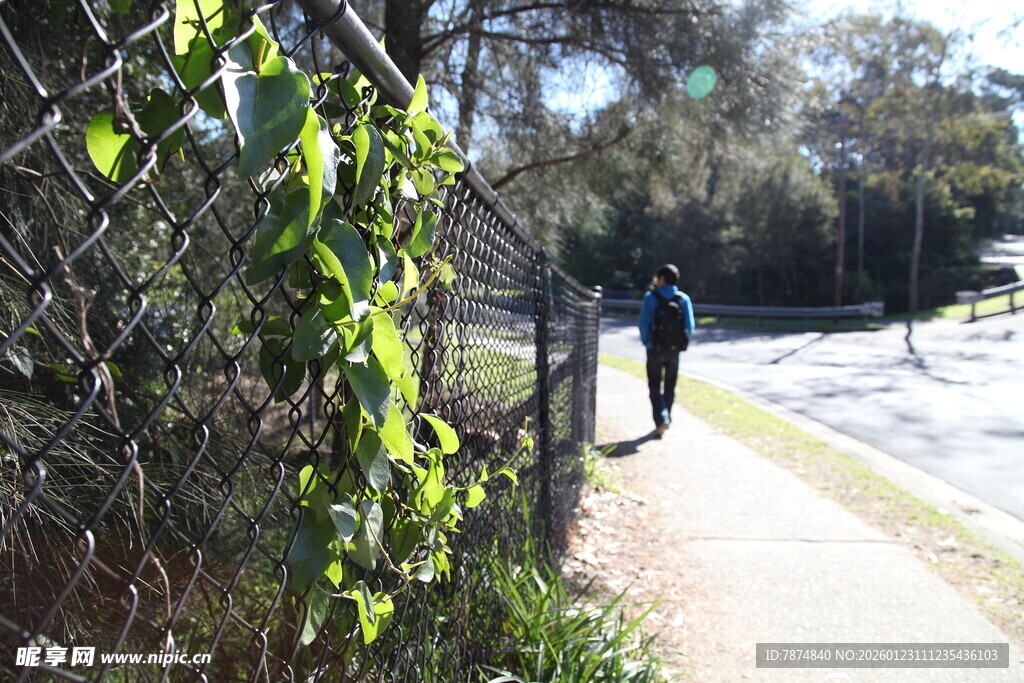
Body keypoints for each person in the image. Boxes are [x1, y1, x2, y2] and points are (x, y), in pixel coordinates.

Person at [638, 264, 695, 437]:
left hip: (654, 349)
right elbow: (689, 327)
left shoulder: (651, 298)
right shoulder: (683, 299)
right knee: (670, 386)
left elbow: (644, 324)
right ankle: (666, 417)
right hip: (674, 351)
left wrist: (648, 342)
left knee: (654, 385)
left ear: (662, 278)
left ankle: (661, 419)